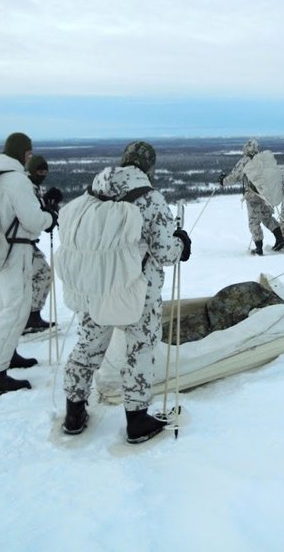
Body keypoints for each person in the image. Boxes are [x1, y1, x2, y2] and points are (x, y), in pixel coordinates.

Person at [62, 141, 191, 444]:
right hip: (137, 289)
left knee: (88, 346)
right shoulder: (151, 198)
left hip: (97, 285)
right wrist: (181, 243)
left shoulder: (93, 193)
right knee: (139, 350)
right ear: (149, 167)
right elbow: (164, 252)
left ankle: (74, 412)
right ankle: (137, 419)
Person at [0, 133, 57, 395]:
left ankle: (6, 356)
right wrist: (50, 216)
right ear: (23, 152)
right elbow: (33, 221)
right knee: (15, 308)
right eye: (28, 152)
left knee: (6, 306)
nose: (29, 157)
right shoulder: (15, 179)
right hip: (14, 252)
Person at [219, 138, 284, 255]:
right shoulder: (262, 159)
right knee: (267, 217)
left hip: (252, 195)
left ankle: (258, 248)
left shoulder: (245, 161)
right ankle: (280, 239)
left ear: (246, 148)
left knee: (254, 222)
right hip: (265, 194)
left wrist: (223, 181)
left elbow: (235, 176)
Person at [23, 155, 63, 335]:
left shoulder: (31, 188)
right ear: (30, 171)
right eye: (39, 171)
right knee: (43, 274)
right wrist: (47, 215)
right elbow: (30, 217)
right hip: (20, 242)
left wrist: (46, 203)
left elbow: (34, 211)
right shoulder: (24, 188)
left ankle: (29, 316)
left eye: (45, 172)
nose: (42, 175)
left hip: (25, 242)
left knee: (37, 276)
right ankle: (30, 317)